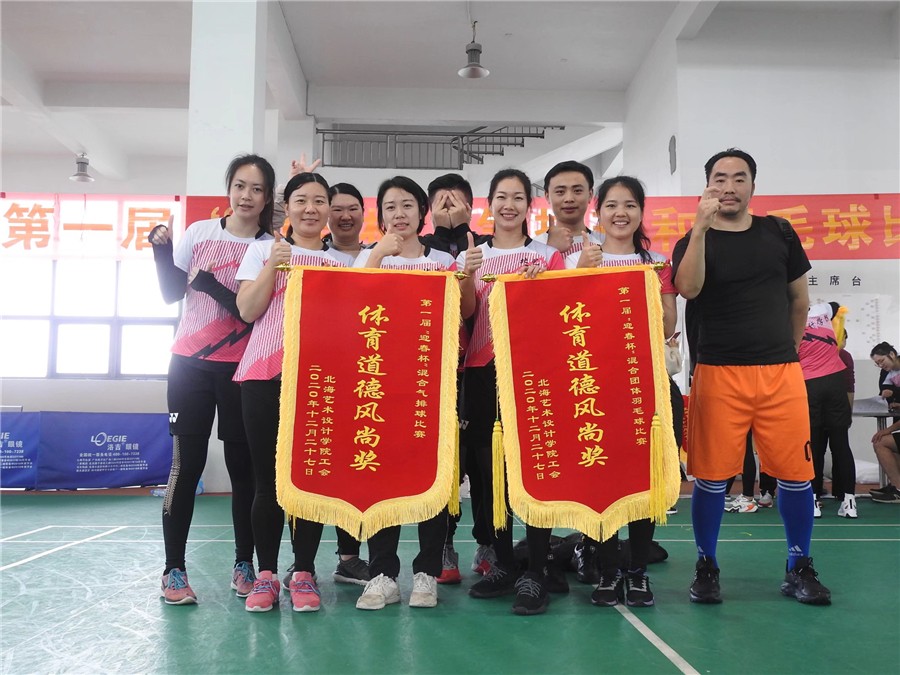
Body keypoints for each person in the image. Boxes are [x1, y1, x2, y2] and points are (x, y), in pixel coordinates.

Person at [672, 148, 831, 606]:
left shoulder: (779, 233)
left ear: (753, 186)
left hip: (780, 374)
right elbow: (688, 288)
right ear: (707, 186)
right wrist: (699, 228)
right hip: (718, 373)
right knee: (711, 478)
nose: (729, 187)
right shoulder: (693, 239)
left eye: (739, 178)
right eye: (719, 178)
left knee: (797, 476)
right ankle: (706, 565)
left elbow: (799, 301)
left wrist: (787, 352)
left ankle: (798, 566)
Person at [150, 153, 274, 605]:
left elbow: (250, 313)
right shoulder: (199, 233)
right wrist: (161, 250)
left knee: (245, 473)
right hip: (189, 366)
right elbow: (171, 293)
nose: (247, 196)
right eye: (240, 186)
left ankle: (244, 564)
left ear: (267, 198)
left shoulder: (270, 248)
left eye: (257, 189)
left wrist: (208, 284)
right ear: (229, 190)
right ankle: (173, 570)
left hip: (244, 370)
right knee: (186, 467)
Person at [560, 175, 680, 609]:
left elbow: (667, 326)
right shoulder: (577, 258)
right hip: (594, 386)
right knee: (602, 479)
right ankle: (608, 569)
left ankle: (637, 571)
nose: (620, 213)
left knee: (644, 481)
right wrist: (583, 272)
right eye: (611, 205)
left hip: (644, 386)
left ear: (641, 212)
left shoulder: (657, 263)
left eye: (629, 205)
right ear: (598, 213)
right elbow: (562, 316)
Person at [235, 172, 349, 613]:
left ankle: (303, 572)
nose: (311, 209)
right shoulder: (263, 250)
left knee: (310, 481)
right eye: (301, 200)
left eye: (319, 201)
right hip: (263, 376)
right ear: (288, 206)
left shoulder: (343, 263)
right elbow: (247, 310)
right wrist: (273, 265)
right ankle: (265, 575)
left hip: (320, 382)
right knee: (267, 482)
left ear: (329, 211)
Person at [351, 176, 466, 610]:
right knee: (381, 478)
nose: (399, 214)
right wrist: (377, 256)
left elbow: (463, 316)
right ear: (380, 216)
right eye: (390, 207)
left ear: (422, 213)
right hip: (379, 386)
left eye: (407, 205)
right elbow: (352, 307)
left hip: (431, 386)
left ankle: (426, 573)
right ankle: (382, 573)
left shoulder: (443, 262)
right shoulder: (368, 257)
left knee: (431, 479)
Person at [454, 169, 564, 615]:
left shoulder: (547, 256)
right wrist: (466, 276)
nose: (509, 205)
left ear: (529, 206)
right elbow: (466, 314)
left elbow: (560, 318)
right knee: (489, 475)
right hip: (483, 373)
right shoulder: (473, 254)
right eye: (501, 197)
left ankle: (536, 570)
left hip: (533, 373)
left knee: (534, 471)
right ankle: (502, 563)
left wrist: (539, 287)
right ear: (490, 204)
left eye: (518, 197)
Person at [423, 173, 494, 583]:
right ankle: (444, 543)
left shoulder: (486, 247)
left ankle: (487, 542)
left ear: (472, 205)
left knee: (484, 464)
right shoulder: (422, 250)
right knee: (446, 464)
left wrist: (462, 231)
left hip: (483, 372)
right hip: (437, 374)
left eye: (456, 200)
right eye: (441, 200)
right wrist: (441, 232)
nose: (449, 206)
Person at [799, 302, 857, 518]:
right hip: (835, 385)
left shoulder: (788, 321)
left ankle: (813, 501)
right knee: (842, 445)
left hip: (809, 386)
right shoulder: (822, 310)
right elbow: (835, 305)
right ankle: (849, 503)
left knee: (813, 447)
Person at [535, 160, 603, 255]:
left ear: (590, 194)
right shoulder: (533, 247)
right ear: (547, 196)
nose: (569, 199)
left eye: (577, 190)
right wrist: (551, 250)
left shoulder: (606, 244)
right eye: (560, 192)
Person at [869, 342, 900, 502]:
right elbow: (883, 394)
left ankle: (898, 489)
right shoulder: (886, 373)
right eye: (877, 364)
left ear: (892, 355)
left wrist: (887, 430)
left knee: (880, 442)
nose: (881, 365)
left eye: (882, 361)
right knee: (891, 446)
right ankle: (895, 485)